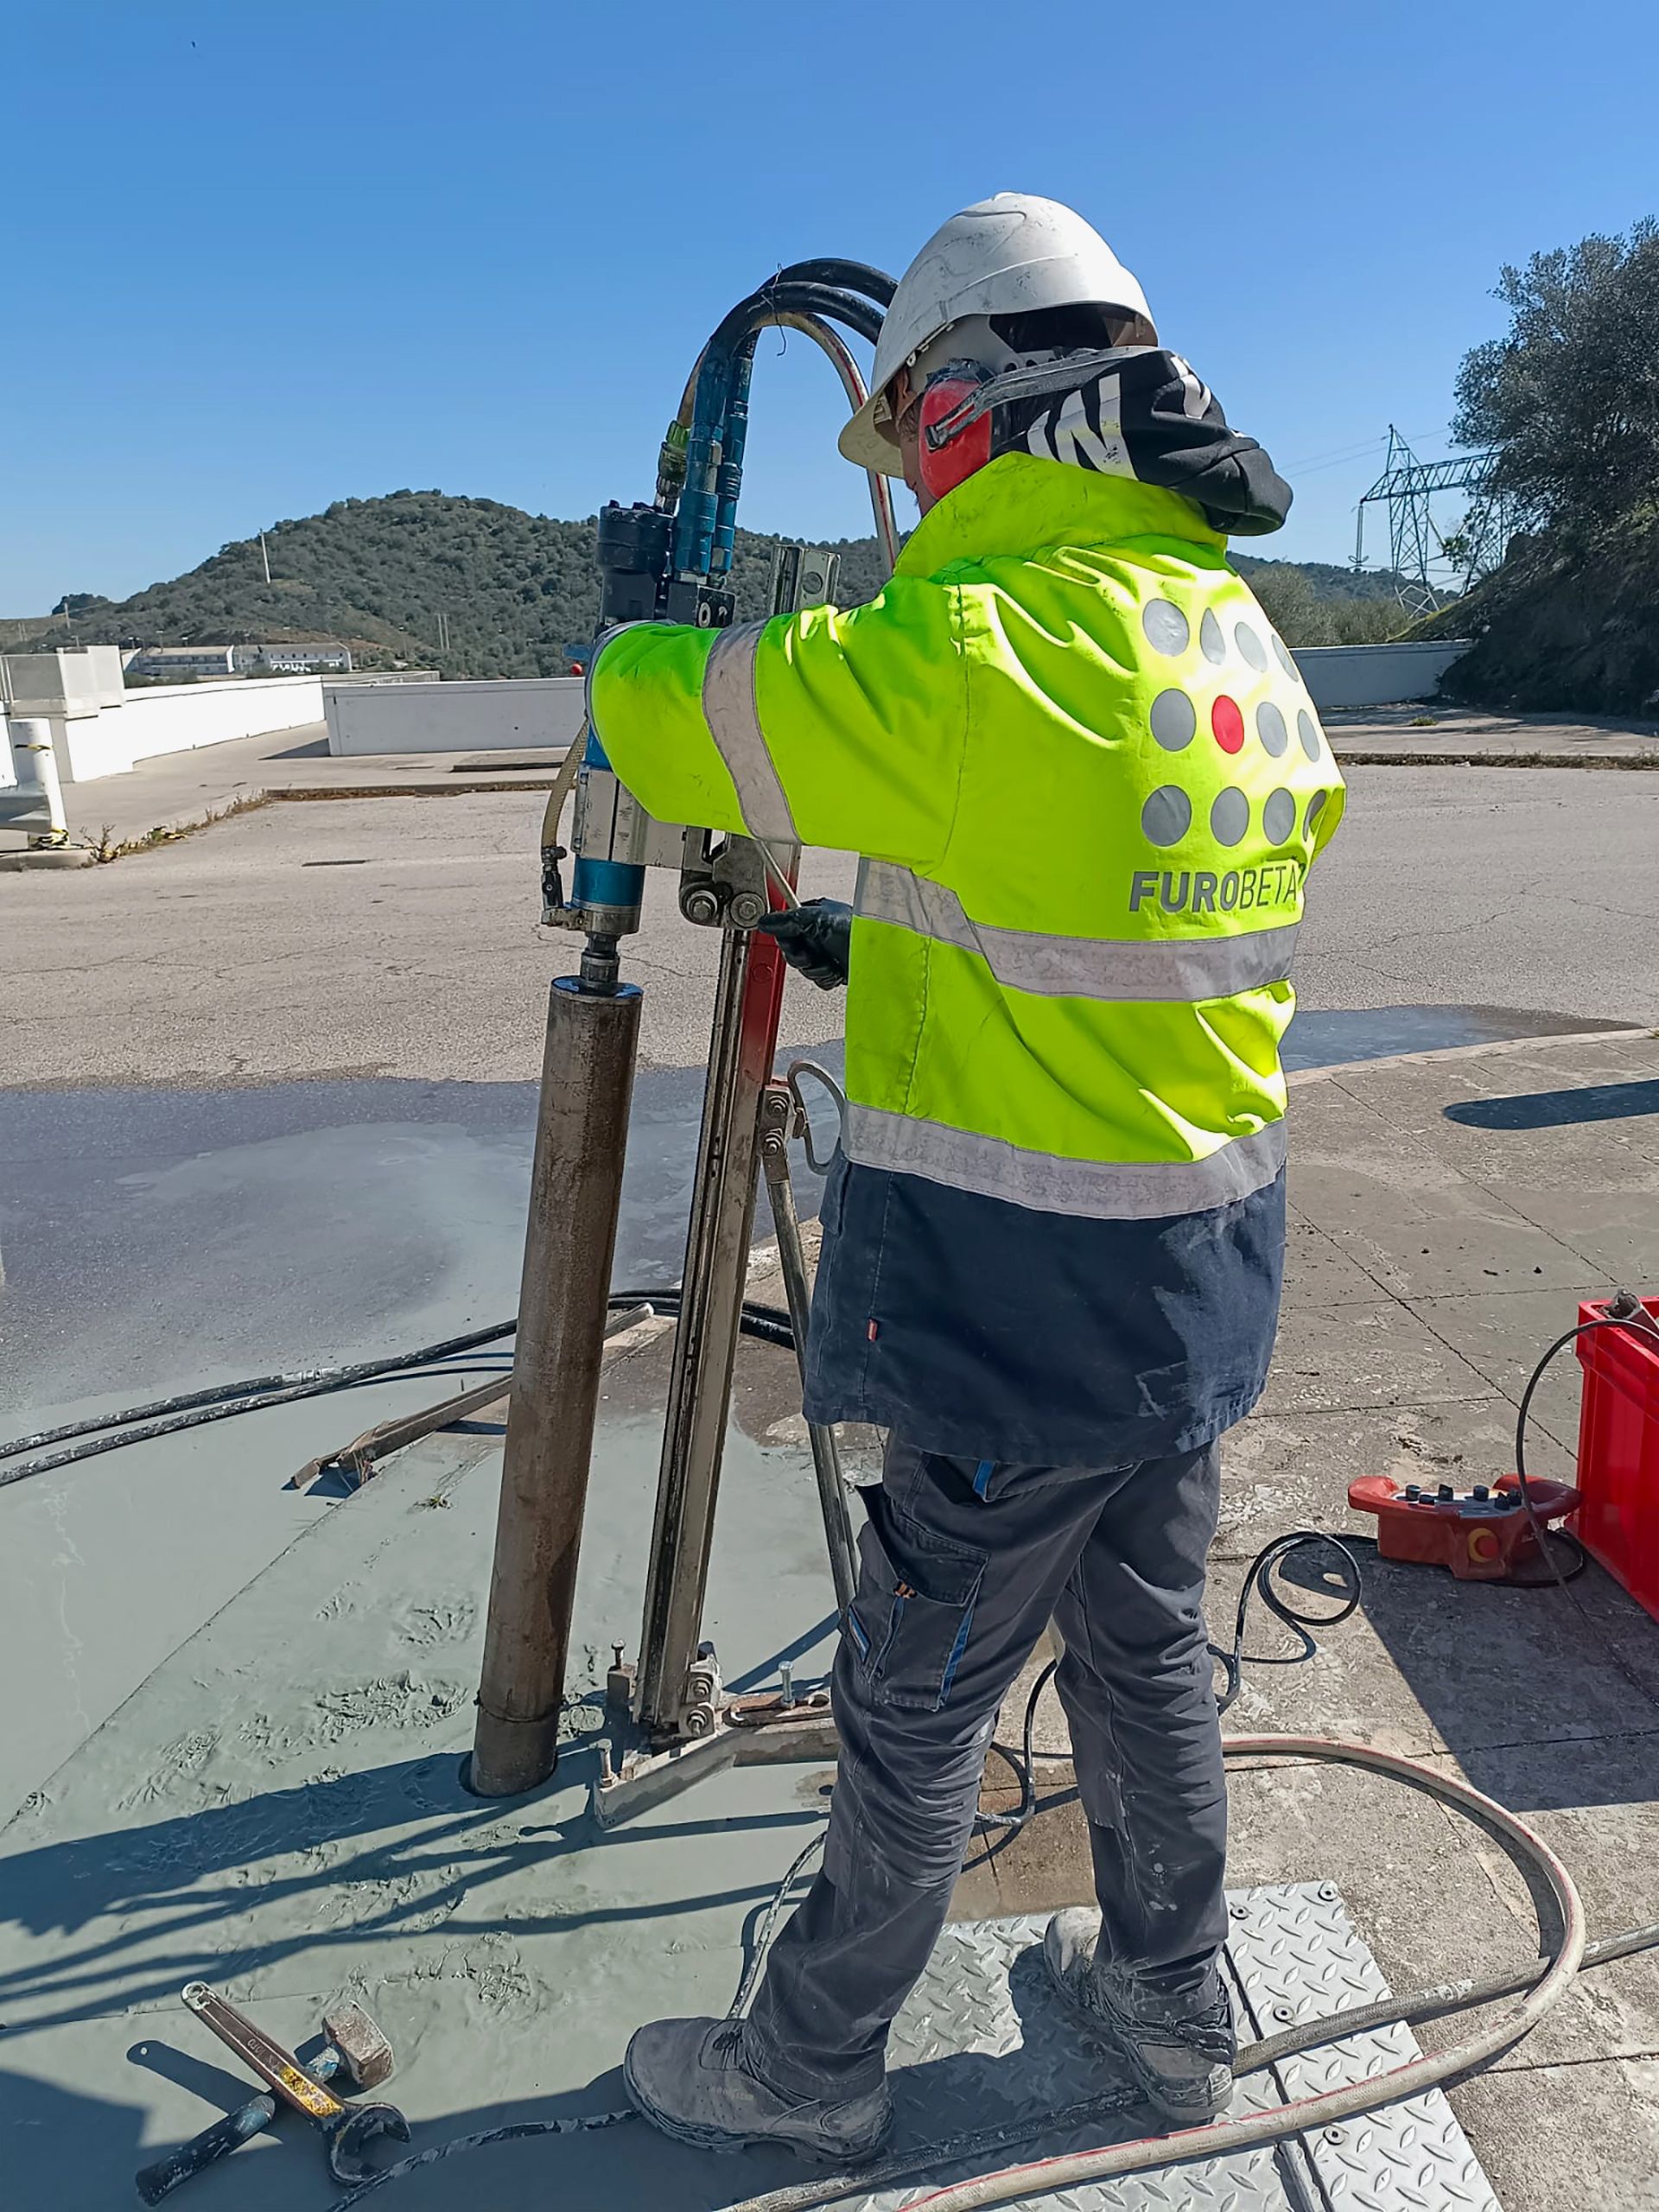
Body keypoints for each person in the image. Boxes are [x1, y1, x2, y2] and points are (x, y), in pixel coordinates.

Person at [585, 192, 1344, 2163]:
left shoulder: (980, 646)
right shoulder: (1237, 645)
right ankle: (1176, 2009)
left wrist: (628, 635)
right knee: (1147, 1647)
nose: (906, 474)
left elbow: (683, 715)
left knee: (914, 1701)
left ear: (970, 412)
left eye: (909, 423)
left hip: (1018, 1311)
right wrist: (890, 948)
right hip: (1195, 1282)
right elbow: (1100, 912)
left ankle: (812, 2064)